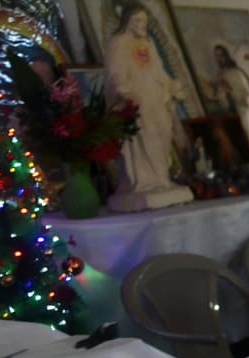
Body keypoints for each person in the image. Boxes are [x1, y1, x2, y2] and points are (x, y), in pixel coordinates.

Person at [103, 3, 192, 210]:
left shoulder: (148, 43)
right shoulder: (118, 43)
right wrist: (123, 91)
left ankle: (161, 180)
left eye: (144, 21)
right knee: (145, 136)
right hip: (137, 101)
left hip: (155, 99)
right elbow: (115, 73)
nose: (142, 25)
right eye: (137, 21)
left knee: (162, 135)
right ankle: (146, 183)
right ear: (127, 21)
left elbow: (159, 71)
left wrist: (172, 85)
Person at [206, 44, 249, 155]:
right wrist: (222, 93)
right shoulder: (220, 74)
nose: (219, 59)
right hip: (233, 112)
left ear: (226, 55)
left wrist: (230, 91)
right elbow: (221, 97)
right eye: (216, 56)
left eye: (221, 55)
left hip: (245, 109)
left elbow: (243, 92)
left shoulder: (236, 71)